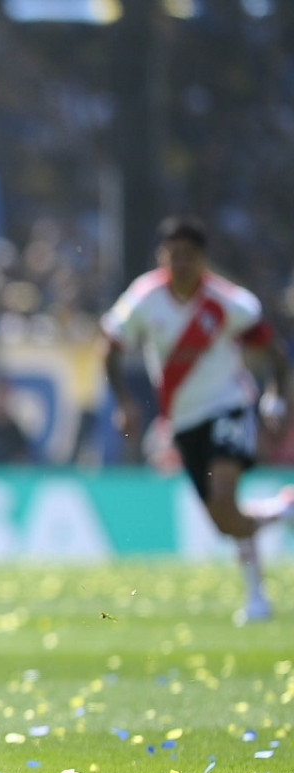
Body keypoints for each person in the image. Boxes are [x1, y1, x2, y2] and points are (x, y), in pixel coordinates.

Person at [100, 215, 291, 626]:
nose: (182, 264)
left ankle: (257, 598)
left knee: (224, 494)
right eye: (174, 256)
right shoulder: (144, 298)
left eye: (189, 256)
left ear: (203, 259)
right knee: (226, 522)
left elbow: (273, 351)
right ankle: (281, 511)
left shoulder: (228, 303)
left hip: (229, 405)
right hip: (183, 422)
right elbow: (110, 348)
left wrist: (275, 394)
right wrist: (123, 400)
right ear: (162, 258)